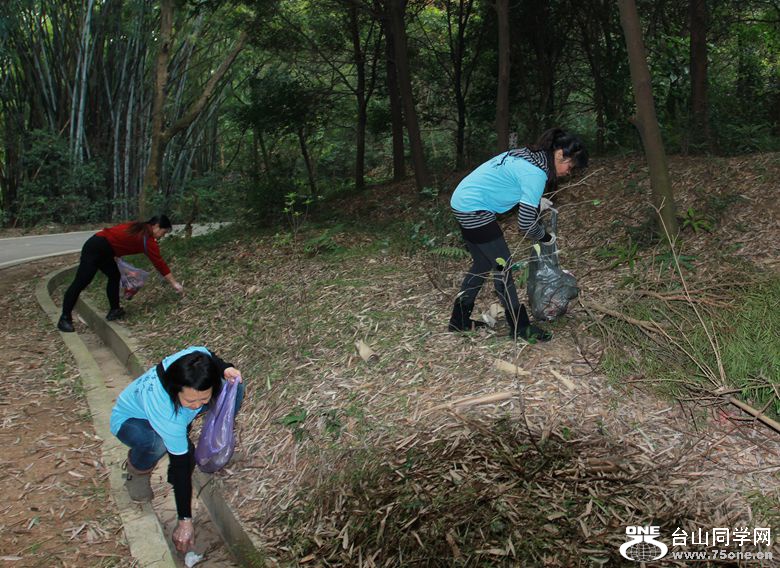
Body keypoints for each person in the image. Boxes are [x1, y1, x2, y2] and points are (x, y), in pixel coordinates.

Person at [448, 128, 588, 341]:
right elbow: (525, 224)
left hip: (463, 200)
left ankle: (459, 320)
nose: (569, 173)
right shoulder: (536, 173)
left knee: (482, 264)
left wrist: (535, 202)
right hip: (473, 208)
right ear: (560, 154)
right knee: (503, 267)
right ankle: (520, 327)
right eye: (571, 167)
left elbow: (510, 184)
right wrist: (545, 237)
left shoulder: (530, 156)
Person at [110, 346, 245, 554]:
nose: (197, 405)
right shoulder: (166, 413)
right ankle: (137, 469)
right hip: (131, 421)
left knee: (234, 386)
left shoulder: (192, 360)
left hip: (174, 415)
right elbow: (180, 466)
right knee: (158, 443)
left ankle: (216, 436)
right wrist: (185, 521)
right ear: (175, 390)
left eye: (203, 399)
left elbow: (209, 356)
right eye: (190, 400)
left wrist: (225, 368)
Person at [57, 215, 184, 332]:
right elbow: (159, 263)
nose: (162, 236)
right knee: (81, 282)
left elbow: (118, 237)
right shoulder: (146, 238)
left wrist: (116, 255)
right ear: (156, 226)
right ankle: (64, 318)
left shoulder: (139, 228)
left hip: (103, 248)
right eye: (163, 232)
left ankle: (115, 310)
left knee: (114, 276)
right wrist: (174, 283)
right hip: (95, 248)